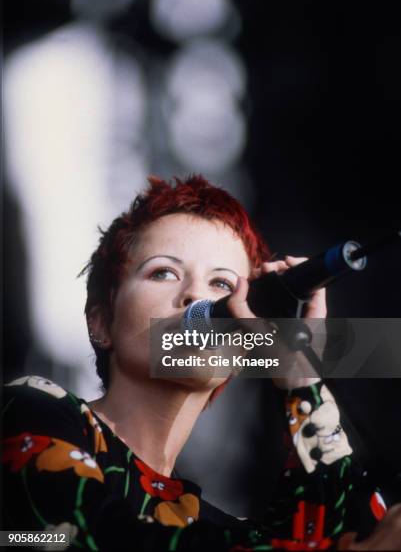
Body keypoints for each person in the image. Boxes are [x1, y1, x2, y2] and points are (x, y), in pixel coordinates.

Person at [2, 175, 401, 551]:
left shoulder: (212, 529)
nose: (197, 296)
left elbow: (353, 532)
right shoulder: (31, 408)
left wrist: (300, 375)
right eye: (164, 272)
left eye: (223, 285)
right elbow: (70, 538)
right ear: (101, 321)